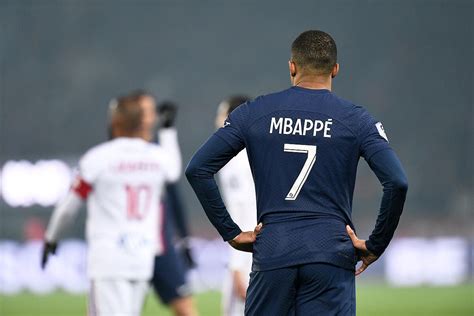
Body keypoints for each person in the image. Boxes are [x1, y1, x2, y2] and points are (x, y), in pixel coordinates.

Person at [186, 30, 408, 315]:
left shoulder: (255, 113)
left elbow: (198, 169)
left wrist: (230, 232)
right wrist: (376, 244)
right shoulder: (356, 119)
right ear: (335, 69)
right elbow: (397, 182)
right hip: (330, 252)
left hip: (273, 249)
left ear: (292, 66)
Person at [42, 92, 182, 316]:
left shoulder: (98, 159)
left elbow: (68, 208)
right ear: (141, 123)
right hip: (142, 258)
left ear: (116, 122)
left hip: (109, 260)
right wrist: (167, 131)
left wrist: (51, 237)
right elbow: (174, 170)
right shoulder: (158, 158)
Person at [139, 93, 198, 316]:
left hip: (160, 247)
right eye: (147, 111)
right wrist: (167, 132)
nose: (152, 116)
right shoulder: (115, 156)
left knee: (185, 307)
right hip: (128, 249)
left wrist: (184, 239)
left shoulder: (159, 155)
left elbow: (174, 194)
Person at [215, 96, 257, 316]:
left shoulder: (232, 160)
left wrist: (236, 266)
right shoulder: (257, 153)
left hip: (245, 251)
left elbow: (241, 210)